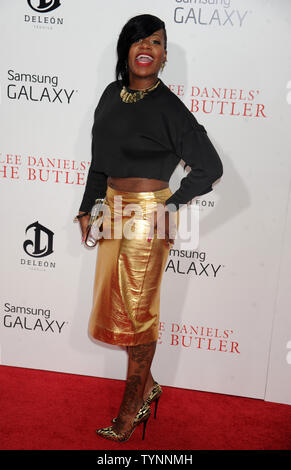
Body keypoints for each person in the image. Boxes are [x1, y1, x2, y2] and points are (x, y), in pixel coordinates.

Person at [76, 14, 223, 442]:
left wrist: (172, 204)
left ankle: (131, 411)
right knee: (118, 311)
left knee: (138, 317)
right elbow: (99, 161)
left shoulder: (169, 107)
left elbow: (209, 167)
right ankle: (150, 386)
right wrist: (88, 207)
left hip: (146, 218)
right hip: (111, 212)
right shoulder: (110, 95)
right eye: (140, 39)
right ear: (127, 49)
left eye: (157, 42)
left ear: (163, 56)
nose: (147, 47)